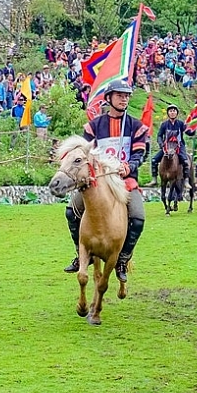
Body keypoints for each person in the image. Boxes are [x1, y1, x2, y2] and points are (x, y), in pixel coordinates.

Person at [63, 80, 148, 283]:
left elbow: (140, 154)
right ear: (109, 98)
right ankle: (81, 254)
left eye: (126, 95)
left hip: (125, 181)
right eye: (119, 95)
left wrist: (128, 167)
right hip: (98, 181)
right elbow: (85, 154)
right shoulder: (93, 126)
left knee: (138, 217)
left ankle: (122, 259)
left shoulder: (136, 126)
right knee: (71, 211)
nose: (124, 99)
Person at [145, 104, 191, 188]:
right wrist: (161, 144)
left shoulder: (181, 124)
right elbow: (159, 135)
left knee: (185, 161)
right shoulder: (164, 124)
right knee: (154, 160)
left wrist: (192, 128)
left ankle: (186, 180)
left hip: (179, 146)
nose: (172, 112)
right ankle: (154, 179)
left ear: (177, 113)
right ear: (168, 113)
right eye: (170, 111)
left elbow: (189, 132)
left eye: (174, 111)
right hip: (167, 146)